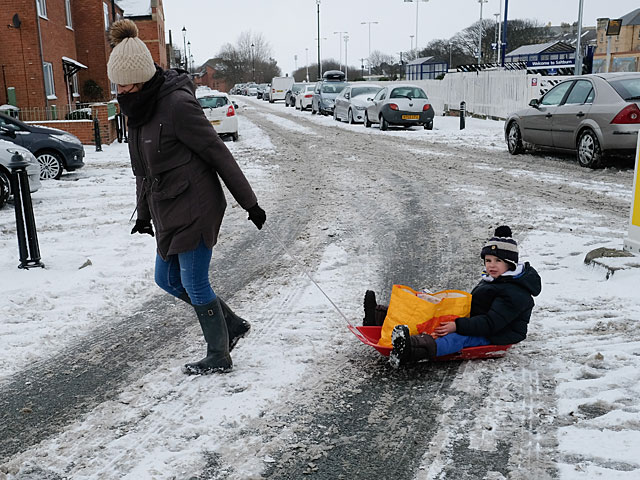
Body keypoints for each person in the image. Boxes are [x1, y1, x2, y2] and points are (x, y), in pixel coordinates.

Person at [107, 20, 266, 375]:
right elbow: (142, 170)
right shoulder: (136, 111)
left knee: (195, 283)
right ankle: (233, 325)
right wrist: (144, 215)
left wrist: (250, 203)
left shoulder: (177, 105)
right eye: (116, 84)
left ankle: (219, 353)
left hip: (196, 205)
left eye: (124, 83)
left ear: (142, 77)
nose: (119, 91)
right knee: (167, 280)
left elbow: (217, 153)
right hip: (167, 209)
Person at [363, 226, 542, 367]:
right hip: (479, 321)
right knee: (436, 312)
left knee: (457, 338)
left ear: (510, 264)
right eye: (488, 261)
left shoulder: (515, 293)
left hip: (498, 334)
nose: (491, 266)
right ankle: (379, 316)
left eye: (498, 261)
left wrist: (457, 326)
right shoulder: (496, 280)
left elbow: (491, 324)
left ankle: (413, 348)